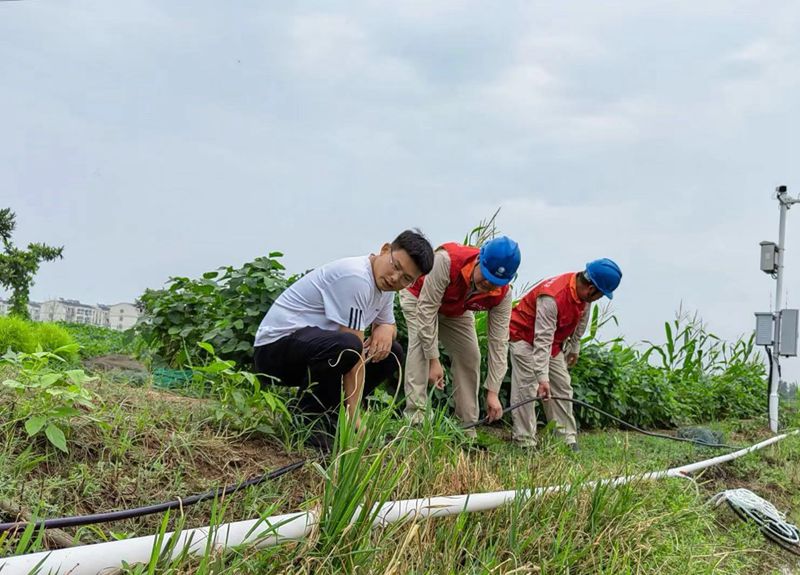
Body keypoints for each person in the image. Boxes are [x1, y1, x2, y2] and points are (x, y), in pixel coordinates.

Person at [253, 230, 434, 445]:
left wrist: (386, 328)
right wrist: (355, 415)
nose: (395, 278)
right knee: (348, 346)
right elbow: (353, 354)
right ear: (385, 250)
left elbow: (388, 326)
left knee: (391, 353)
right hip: (273, 350)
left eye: (406, 278)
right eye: (395, 266)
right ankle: (308, 417)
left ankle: (329, 414)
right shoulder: (356, 277)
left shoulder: (384, 286)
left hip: (312, 350)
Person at [400, 236, 521, 435]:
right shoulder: (446, 260)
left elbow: (499, 343)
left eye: (496, 282)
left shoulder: (502, 295)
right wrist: (434, 360)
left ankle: (466, 427)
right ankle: (416, 422)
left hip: (456, 310)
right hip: (420, 298)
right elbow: (427, 309)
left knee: (470, 355)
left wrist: (493, 392)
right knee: (420, 346)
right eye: (487, 276)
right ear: (479, 260)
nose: (489, 285)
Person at [508, 258, 622, 451]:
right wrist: (542, 378)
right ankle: (525, 441)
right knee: (527, 387)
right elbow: (541, 339)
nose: (599, 299)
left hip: (551, 343)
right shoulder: (551, 297)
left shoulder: (585, 296)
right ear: (591, 287)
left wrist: (575, 345)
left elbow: (582, 319)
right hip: (524, 338)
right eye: (600, 295)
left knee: (562, 387)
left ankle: (566, 438)